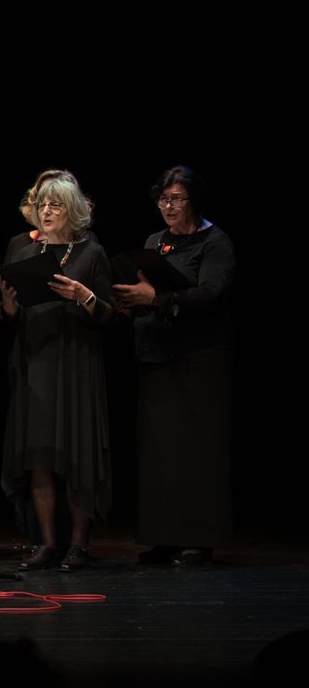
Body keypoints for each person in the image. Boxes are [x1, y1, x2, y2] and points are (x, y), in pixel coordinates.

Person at [113, 166, 236, 565]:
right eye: (163, 199)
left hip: (199, 359)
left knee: (196, 451)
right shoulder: (155, 241)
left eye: (177, 199)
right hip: (156, 356)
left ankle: (197, 540)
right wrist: (131, 301)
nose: (168, 206)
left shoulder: (214, 242)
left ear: (193, 201)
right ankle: (163, 537)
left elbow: (212, 293)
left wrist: (157, 299)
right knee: (160, 452)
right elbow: (147, 289)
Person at [0, 173, 114, 571]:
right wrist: (9, 306)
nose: (46, 211)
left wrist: (85, 296)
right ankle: (46, 543)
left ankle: (78, 544)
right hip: (35, 363)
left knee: (77, 455)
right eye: (42, 205)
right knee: (40, 456)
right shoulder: (24, 251)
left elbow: (110, 315)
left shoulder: (91, 253)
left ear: (73, 210)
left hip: (76, 366)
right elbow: (7, 319)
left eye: (56, 205)